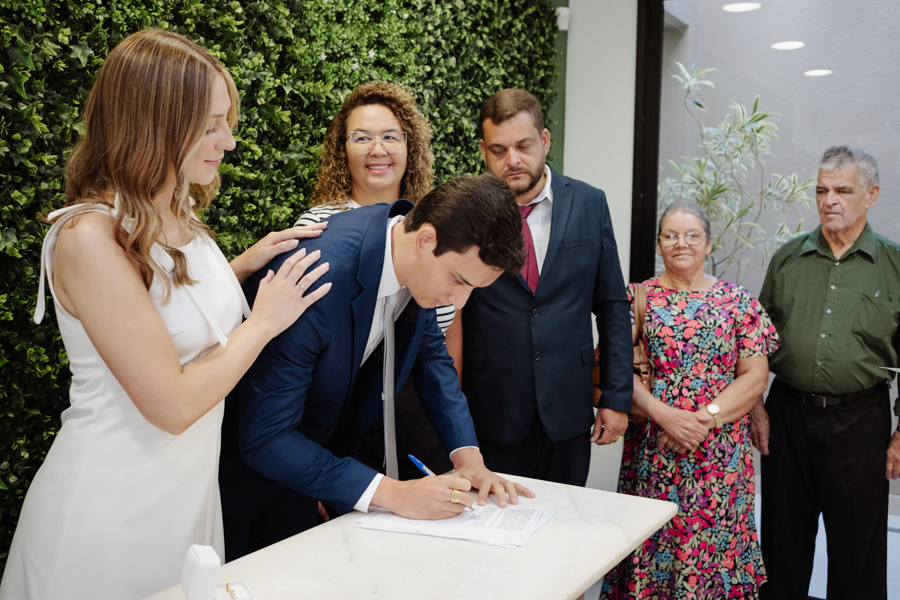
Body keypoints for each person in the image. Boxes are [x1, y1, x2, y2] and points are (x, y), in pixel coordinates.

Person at [0, 29, 331, 600]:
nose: (227, 141)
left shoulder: (175, 213)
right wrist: (262, 323)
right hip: (108, 516)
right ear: (152, 123)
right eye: (210, 125)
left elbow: (164, 313)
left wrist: (243, 266)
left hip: (186, 501)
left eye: (226, 121)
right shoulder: (87, 237)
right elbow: (172, 404)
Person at [219, 174, 535, 559]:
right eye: (458, 280)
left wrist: (469, 460)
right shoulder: (319, 277)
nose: (460, 301)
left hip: (303, 476)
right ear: (425, 240)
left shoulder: (409, 255)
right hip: (234, 483)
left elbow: (432, 357)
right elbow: (264, 437)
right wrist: (395, 493)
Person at [601, 201, 780, 599]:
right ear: (659, 243)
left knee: (715, 551)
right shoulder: (635, 299)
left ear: (709, 242)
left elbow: (755, 376)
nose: (681, 243)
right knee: (655, 543)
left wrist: (700, 421)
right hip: (655, 452)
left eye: (691, 235)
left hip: (720, 457)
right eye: (671, 235)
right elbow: (616, 371)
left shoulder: (739, 302)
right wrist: (667, 417)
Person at [457, 88, 632, 486]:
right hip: (491, 409)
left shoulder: (590, 203)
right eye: (499, 150)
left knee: (565, 529)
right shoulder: (465, 212)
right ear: (483, 151)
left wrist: (616, 397)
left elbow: (612, 305)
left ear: (545, 140)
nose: (513, 160)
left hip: (568, 407)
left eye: (524, 145)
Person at [755, 145, 900, 600]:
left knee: (857, 553)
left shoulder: (895, 265)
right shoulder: (787, 259)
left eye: (842, 190)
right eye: (821, 190)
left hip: (861, 422)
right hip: (788, 417)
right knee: (782, 546)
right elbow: (755, 344)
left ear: (871, 194)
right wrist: (756, 408)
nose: (829, 200)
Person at [293, 82, 455, 479]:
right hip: (341, 413)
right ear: (341, 150)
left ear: (409, 146)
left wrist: (452, 423)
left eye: (389, 137)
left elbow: (446, 339)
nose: (377, 149)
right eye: (362, 138)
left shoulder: (435, 229)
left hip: (418, 413)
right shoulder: (317, 226)